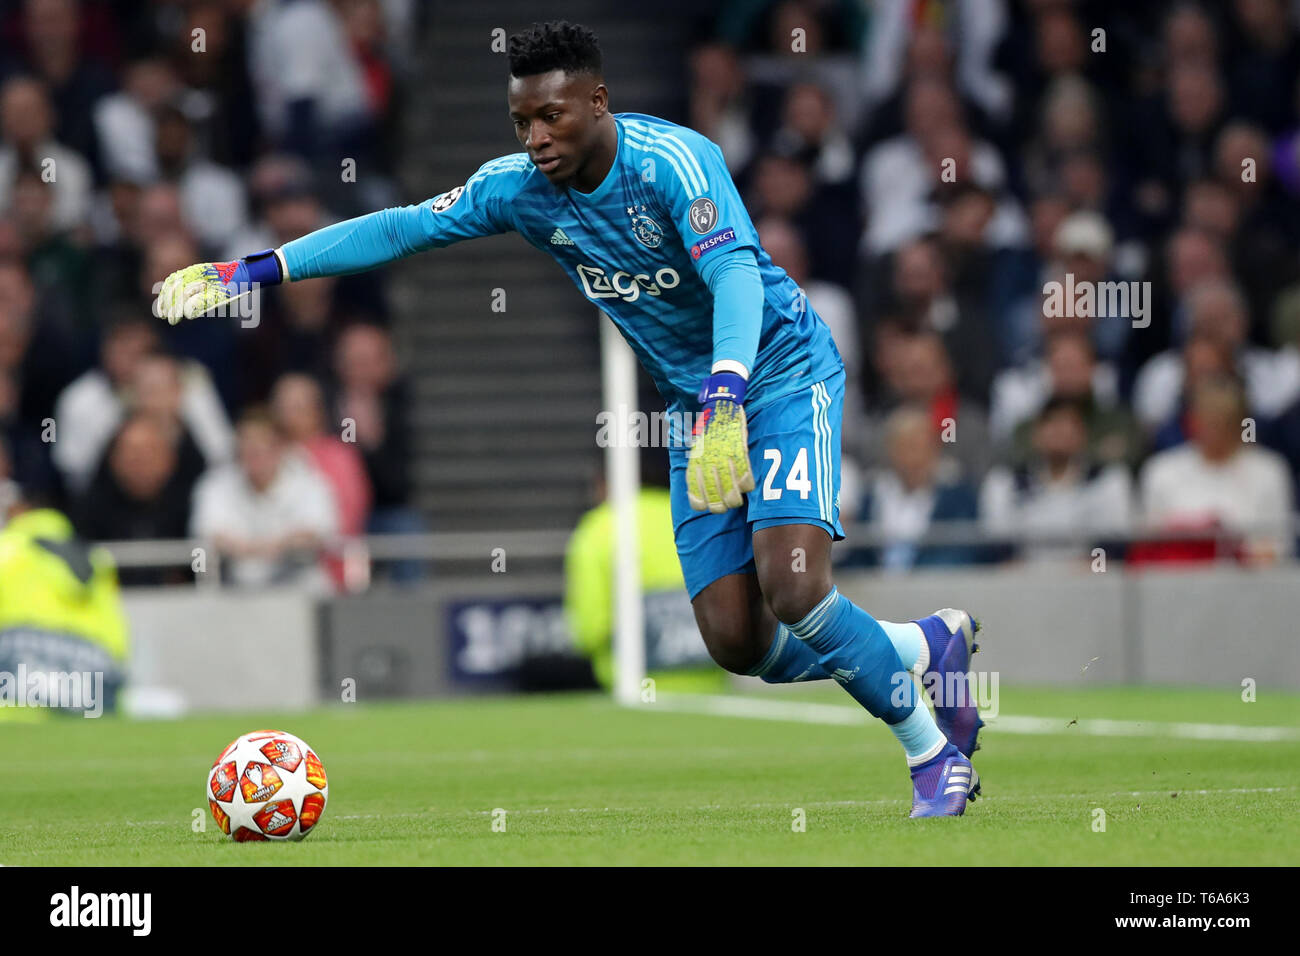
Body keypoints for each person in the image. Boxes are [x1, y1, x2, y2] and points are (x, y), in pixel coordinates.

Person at [158, 21, 982, 817]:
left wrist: (729, 393)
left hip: (775, 373)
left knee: (796, 588)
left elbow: (733, 276)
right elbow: (403, 228)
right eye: (521, 121)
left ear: (598, 101)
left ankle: (930, 754)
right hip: (698, 407)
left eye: (551, 115)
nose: (535, 137)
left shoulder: (676, 163)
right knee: (740, 644)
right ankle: (923, 646)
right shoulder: (517, 191)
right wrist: (256, 268)